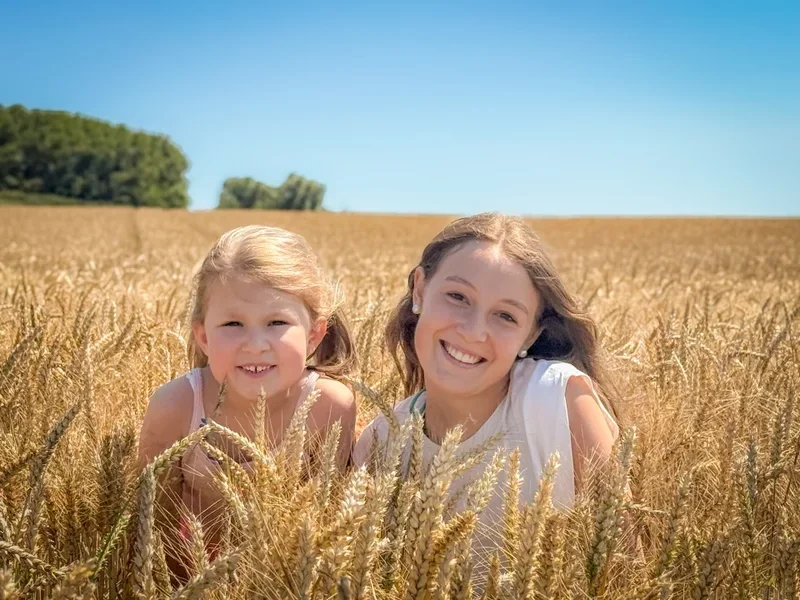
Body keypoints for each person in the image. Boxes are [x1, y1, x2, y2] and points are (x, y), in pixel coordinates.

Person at [353, 211, 620, 541]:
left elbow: (623, 560)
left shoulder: (558, 401)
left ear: (530, 335)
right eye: (458, 297)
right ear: (420, 289)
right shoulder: (381, 440)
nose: (474, 331)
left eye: (505, 316)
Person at [138, 224, 357, 570]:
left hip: (284, 576)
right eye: (233, 325)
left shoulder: (329, 407)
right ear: (203, 337)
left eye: (277, 323)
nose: (255, 345)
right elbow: (150, 524)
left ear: (314, 335)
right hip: (190, 576)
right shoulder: (176, 406)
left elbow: (325, 522)